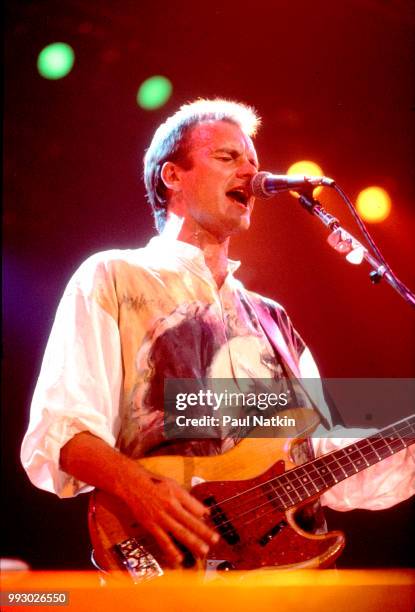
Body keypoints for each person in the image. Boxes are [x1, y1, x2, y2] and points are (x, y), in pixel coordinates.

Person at [21, 98, 414, 571]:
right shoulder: (113, 276)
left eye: (253, 161)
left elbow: (325, 457)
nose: (250, 173)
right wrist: (143, 491)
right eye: (228, 158)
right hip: (171, 562)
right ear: (172, 177)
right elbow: (61, 429)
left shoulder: (273, 318)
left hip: (293, 581)